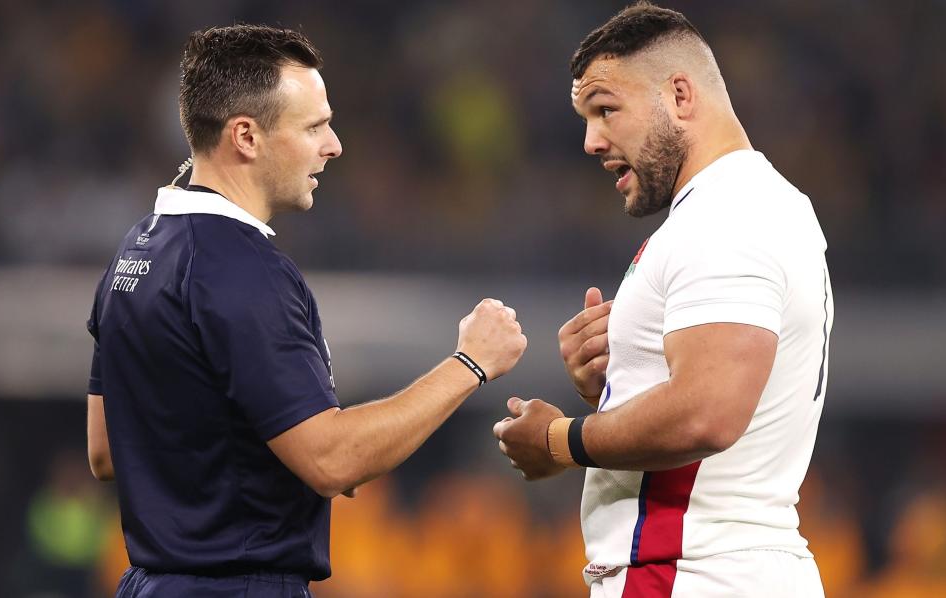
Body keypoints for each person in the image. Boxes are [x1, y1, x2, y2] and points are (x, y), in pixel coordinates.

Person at [85, 24, 527, 598]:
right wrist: (470, 361)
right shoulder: (242, 269)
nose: (334, 144)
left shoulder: (137, 250)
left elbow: (106, 450)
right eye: (314, 126)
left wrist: (261, 452)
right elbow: (332, 459)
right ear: (246, 136)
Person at [492, 3, 832, 597]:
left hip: (693, 573)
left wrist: (561, 440)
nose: (591, 141)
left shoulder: (727, 215)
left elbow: (708, 412)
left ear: (679, 95)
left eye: (606, 109)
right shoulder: (757, 204)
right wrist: (615, 383)